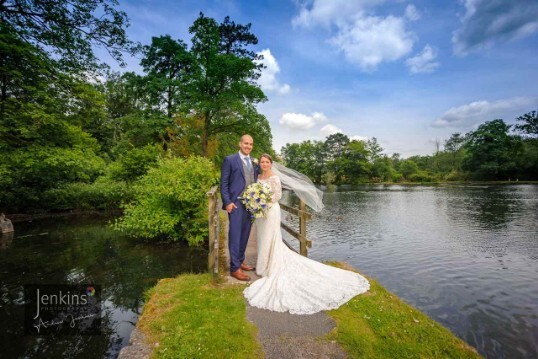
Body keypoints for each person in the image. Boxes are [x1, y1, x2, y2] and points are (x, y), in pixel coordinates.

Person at [243, 154, 370, 314]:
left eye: (267, 162)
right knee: (262, 238)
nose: (264, 164)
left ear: (271, 163)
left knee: (271, 237)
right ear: (260, 163)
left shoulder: (275, 177)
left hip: (271, 210)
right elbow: (255, 191)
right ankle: (262, 266)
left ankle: (270, 266)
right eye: (262, 162)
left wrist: (263, 202)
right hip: (261, 213)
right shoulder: (259, 176)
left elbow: (278, 195)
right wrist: (255, 202)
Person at [220, 135, 258, 281]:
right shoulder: (230, 160)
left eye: (250, 144)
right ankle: (234, 268)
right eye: (246, 143)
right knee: (235, 235)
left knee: (245, 234)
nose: (248, 146)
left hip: (251, 204)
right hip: (236, 204)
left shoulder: (254, 162)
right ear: (240, 144)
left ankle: (240, 261)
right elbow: (223, 183)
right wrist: (228, 202)